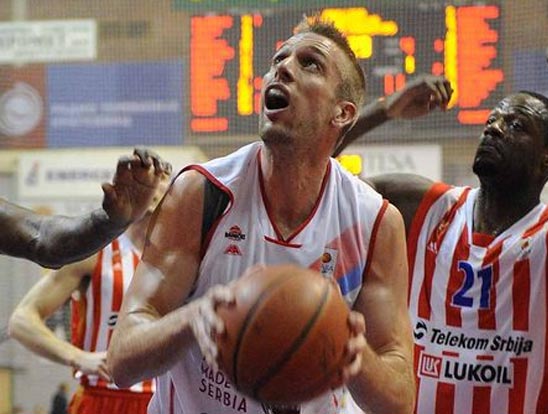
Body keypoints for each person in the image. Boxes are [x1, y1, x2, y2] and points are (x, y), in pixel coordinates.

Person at [107, 15, 415, 414]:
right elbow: (122, 361)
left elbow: (400, 400)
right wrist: (195, 317)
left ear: (342, 113)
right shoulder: (203, 192)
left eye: (310, 64)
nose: (282, 68)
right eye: (278, 60)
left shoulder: (374, 222)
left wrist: (351, 351)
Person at [334, 1, 548, 413]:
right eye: (492, 121)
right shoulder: (424, 206)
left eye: (516, 125)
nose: (495, 128)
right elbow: (317, 170)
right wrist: (385, 110)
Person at [8, 173, 170, 414]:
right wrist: (78, 357)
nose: (154, 184)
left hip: (161, 399)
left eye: (162, 175)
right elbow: (21, 321)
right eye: (145, 176)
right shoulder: (96, 252)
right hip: (102, 397)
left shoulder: (183, 259)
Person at [0, 147, 171, 269]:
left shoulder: (174, 256)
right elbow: (29, 310)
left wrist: (111, 221)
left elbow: (43, 237)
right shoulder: (102, 258)